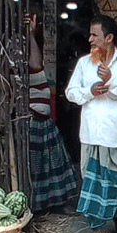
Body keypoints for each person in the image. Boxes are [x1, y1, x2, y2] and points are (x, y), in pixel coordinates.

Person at [66, 14, 117, 233]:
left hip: (116, 136)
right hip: (90, 135)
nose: (90, 39)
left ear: (109, 38)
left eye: (95, 35)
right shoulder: (83, 64)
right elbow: (70, 93)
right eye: (90, 34)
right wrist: (89, 91)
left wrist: (112, 83)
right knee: (91, 185)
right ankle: (96, 230)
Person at [25, 13, 78, 214]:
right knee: (38, 170)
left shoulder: (34, 71)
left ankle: (59, 204)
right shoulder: (26, 69)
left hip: (45, 123)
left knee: (55, 164)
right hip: (33, 124)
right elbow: (36, 62)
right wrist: (30, 34)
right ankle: (39, 207)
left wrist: (31, 34)